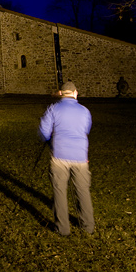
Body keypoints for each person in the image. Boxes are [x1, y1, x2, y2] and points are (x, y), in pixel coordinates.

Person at [38, 81, 94, 236]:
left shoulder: (53, 109)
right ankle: (87, 226)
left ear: (61, 93)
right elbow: (86, 129)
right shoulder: (84, 111)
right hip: (80, 157)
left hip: (59, 156)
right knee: (82, 191)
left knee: (59, 191)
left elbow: (43, 131)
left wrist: (51, 142)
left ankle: (62, 228)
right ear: (75, 93)